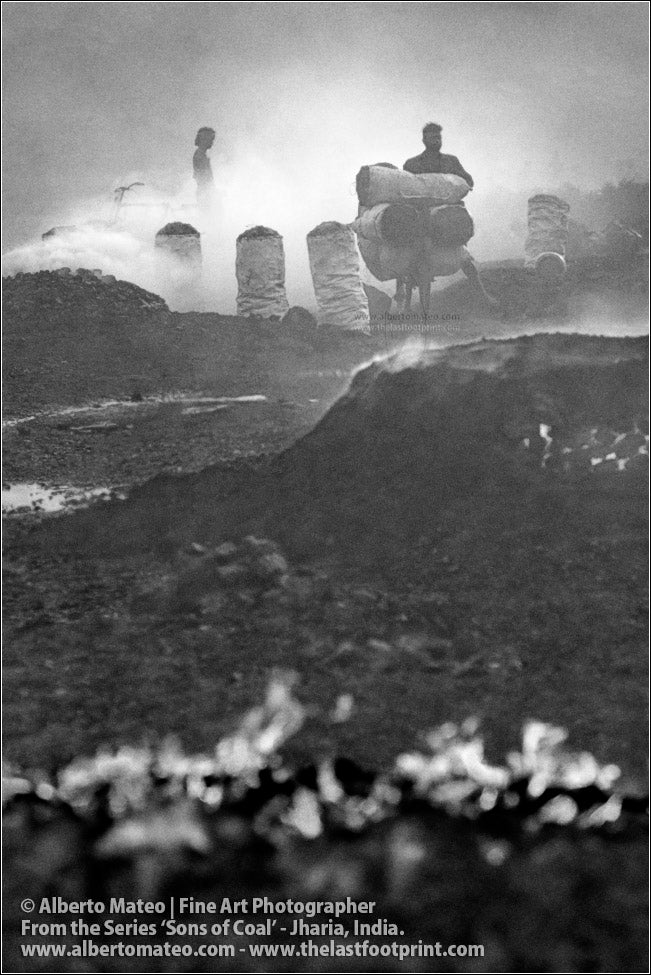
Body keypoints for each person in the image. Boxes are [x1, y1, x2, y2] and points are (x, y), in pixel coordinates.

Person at [403, 122, 474, 186]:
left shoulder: (451, 161)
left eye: (439, 138)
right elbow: (405, 186)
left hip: (450, 200)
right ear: (424, 140)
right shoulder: (411, 164)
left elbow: (469, 182)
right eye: (433, 138)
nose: (437, 141)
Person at [193, 127, 215, 206]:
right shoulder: (200, 156)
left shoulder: (202, 154)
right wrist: (210, 192)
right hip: (205, 194)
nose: (212, 142)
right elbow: (201, 177)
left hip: (205, 193)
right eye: (211, 139)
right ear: (204, 139)